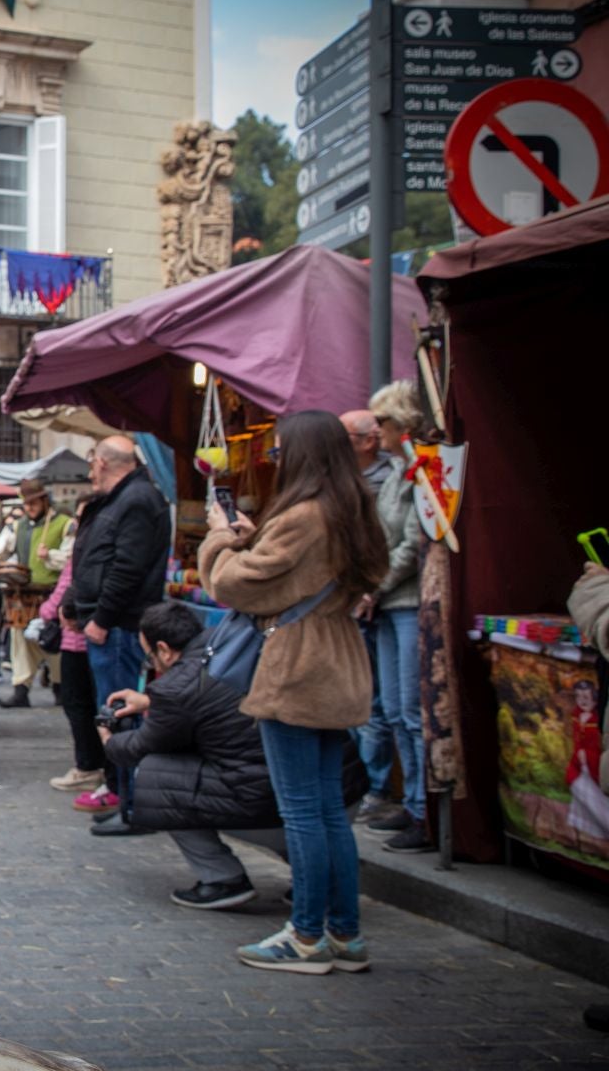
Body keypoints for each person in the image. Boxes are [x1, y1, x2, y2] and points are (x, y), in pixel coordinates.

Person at [203, 410, 387, 974]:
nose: (275, 461)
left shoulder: (305, 515)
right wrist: (254, 540)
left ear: (304, 455)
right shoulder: (352, 509)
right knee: (329, 809)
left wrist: (219, 536)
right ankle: (344, 933)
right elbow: (311, 575)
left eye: (279, 453)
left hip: (298, 664)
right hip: (338, 655)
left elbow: (235, 585)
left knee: (303, 811)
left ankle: (306, 936)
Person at [100, 602, 281, 907]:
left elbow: (139, 747)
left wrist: (107, 738)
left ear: (164, 650)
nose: (153, 666)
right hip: (337, 792)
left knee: (155, 777)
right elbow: (208, 702)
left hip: (272, 807)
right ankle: (313, 879)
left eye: (150, 657)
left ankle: (222, 878)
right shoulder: (227, 648)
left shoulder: (177, 687)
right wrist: (149, 702)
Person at [67, 436, 170, 769]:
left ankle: (125, 794)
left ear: (101, 462)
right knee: (112, 708)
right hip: (111, 624)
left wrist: (102, 618)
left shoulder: (136, 499)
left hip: (118, 627)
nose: (90, 470)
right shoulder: (122, 498)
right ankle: (119, 790)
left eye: (91, 462)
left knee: (117, 709)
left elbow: (128, 568)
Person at [358, 382, 431, 853]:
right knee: (391, 708)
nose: (376, 431)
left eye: (381, 422)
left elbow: (410, 543)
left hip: (402, 601)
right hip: (386, 602)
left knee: (408, 709)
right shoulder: (400, 471)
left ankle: (424, 807)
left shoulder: (416, 471)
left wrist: (376, 586)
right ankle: (413, 802)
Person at [339, 408, 399, 820]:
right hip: (355, 600)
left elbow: (396, 542)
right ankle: (360, 784)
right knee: (365, 699)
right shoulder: (344, 480)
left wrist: (373, 587)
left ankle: (379, 789)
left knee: (387, 704)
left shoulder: (392, 479)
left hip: (383, 598)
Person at [40, 497, 113, 801]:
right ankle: (96, 766)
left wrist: (48, 610)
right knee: (83, 704)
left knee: (80, 704)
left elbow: (68, 585)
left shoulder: (91, 550)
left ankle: (90, 767)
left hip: (82, 636)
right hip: (82, 636)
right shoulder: (89, 547)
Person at [0, 479, 71, 709]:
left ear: (44, 499)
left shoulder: (65, 523)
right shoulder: (18, 526)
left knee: (54, 641)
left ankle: (61, 688)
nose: (29, 506)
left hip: (53, 593)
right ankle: (21, 690)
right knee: (19, 643)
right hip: (23, 593)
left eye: (34, 501)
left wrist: (50, 555)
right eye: (26, 502)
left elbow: (71, 558)